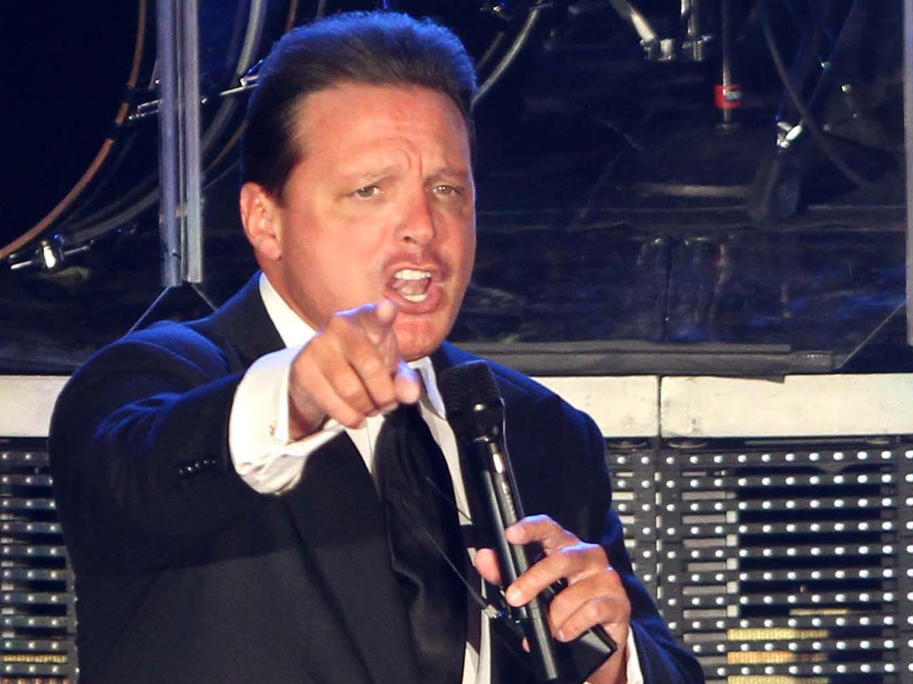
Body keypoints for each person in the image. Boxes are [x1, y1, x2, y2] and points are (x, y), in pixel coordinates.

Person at [48, 11, 703, 684]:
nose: (423, 225)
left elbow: (662, 665)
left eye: (447, 189)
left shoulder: (541, 430)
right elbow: (134, 481)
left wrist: (612, 662)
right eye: (369, 191)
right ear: (264, 222)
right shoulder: (154, 380)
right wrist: (295, 398)